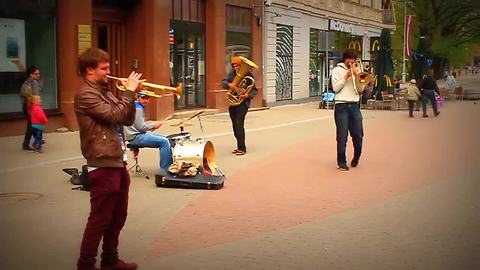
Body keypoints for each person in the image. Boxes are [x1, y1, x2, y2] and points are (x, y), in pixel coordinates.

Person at [74, 47, 144, 270]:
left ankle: (110, 260)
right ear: (89, 70)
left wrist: (132, 96)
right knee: (100, 219)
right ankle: (86, 265)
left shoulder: (105, 92)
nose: (108, 71)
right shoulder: (86, 94)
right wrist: (129, 93)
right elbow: (114, 114)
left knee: (117, 216)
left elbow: (125, 118)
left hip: (117, 159)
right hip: (102, 161)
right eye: (104, 68)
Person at [331, 49, 364, 171]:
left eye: (353, 59)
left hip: (354, 106)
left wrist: (356, 75)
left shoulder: (358, 71)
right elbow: (336, 88)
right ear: (344, 59)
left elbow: (361, 89)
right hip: (341, 106)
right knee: (342, 136)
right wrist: (346, 76)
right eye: (349, 58)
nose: (351, 61)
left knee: (358, 135)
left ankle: (356, 157)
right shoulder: (336, 70)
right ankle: (341, 162)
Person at [124, 92, 172, 171]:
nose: (145, 100)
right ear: (137, 97)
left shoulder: (135, 105)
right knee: (164, 142)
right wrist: (154, 126)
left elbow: (139, 125)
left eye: (147, 98)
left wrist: (151, 126)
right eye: (143, 98)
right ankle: (165, 170)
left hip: (136, 135)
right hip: (136, 137)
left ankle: (170, 166)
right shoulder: (138, 108)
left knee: (167, 139)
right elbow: (141, 127)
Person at [222, 56, 258, 156]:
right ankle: (239, 146)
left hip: (243, 104)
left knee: (239, 124)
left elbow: (255, 90)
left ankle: (242, 148)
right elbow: (223, 82)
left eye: (237, 65)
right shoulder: (232, 73)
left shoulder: (249, 74)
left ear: (241, 65)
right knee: (235, 126)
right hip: (233, 103)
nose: (236, 68)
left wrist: (247, 95)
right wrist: (229, 85)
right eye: (234, 65)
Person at [19, 66, 42, 151]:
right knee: (31, 125)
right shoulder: (34, 82)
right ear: (31, 74)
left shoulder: (26, 82)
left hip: (25, 106)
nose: (38, 75)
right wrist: (31, 109)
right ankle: (28, 143)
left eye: (39, 73)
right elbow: (33, 97)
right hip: (31, 106)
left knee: (32, 124)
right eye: (36, 73)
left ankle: (36, 139)